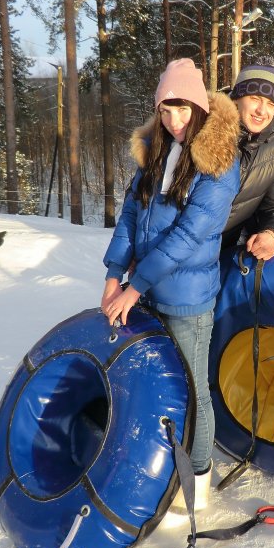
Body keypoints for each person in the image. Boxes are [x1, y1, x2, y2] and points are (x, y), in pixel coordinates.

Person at [100, 58, 240, 510]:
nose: (174, 120)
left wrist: (133, 287)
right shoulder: (155, 153)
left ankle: (197, 486)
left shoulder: (218, 164)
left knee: (192, 390)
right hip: (145, 291)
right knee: (153, 383)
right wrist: (111, 275)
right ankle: (160, 466)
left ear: (198, 108)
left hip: (185, 300)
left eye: (182, 110)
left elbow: (186, 237)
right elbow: (131, 217)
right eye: (165, 110)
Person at [222, 57, 274, 261]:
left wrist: (272, 234)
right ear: (236, 98)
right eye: (255, 98)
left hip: (217, 257)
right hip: (167, 246)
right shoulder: (206, 130)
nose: (262, 111)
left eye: (271, 103)